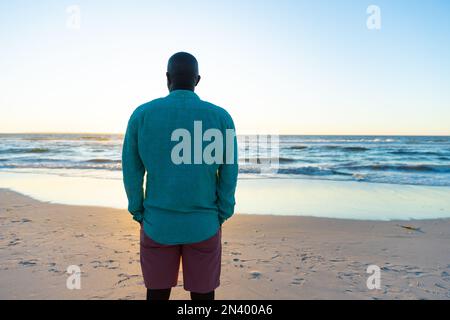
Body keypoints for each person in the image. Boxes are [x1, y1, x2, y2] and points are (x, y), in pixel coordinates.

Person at [122, 52, 238, 300]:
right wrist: (223, 212)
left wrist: (138, 210)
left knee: (157, 293)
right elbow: (229, 171)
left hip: (157, 223)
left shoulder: (142, 115)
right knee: (203, 297)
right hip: (204, 224)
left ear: (167, 78)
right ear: (197, 79)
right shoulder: (221, 117)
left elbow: (131, 170)